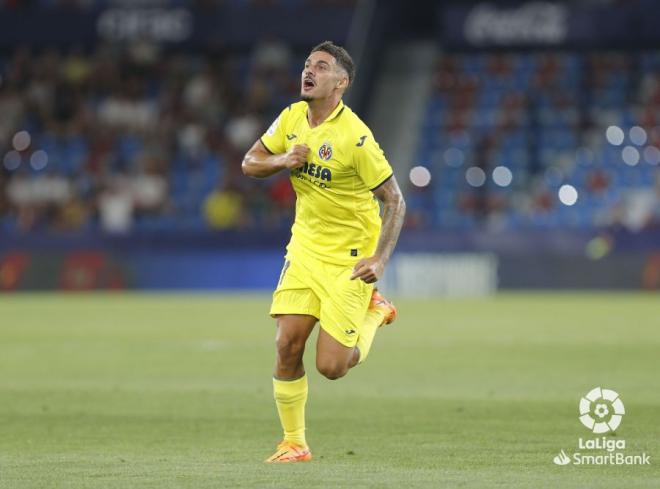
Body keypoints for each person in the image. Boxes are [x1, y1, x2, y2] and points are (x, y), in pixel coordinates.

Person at [242, 41, 406, 463]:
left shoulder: (356, 137)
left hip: (350, 259)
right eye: (306, 64)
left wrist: (380, 259)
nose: (308, 71)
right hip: (305, 250)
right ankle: (294, 443)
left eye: (321, 66)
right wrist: (282, 160)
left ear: (341, 82)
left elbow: (395, 200)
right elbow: (249, 162)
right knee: (286, 345)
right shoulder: (292, 117)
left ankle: (376, 311)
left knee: (332, 366)